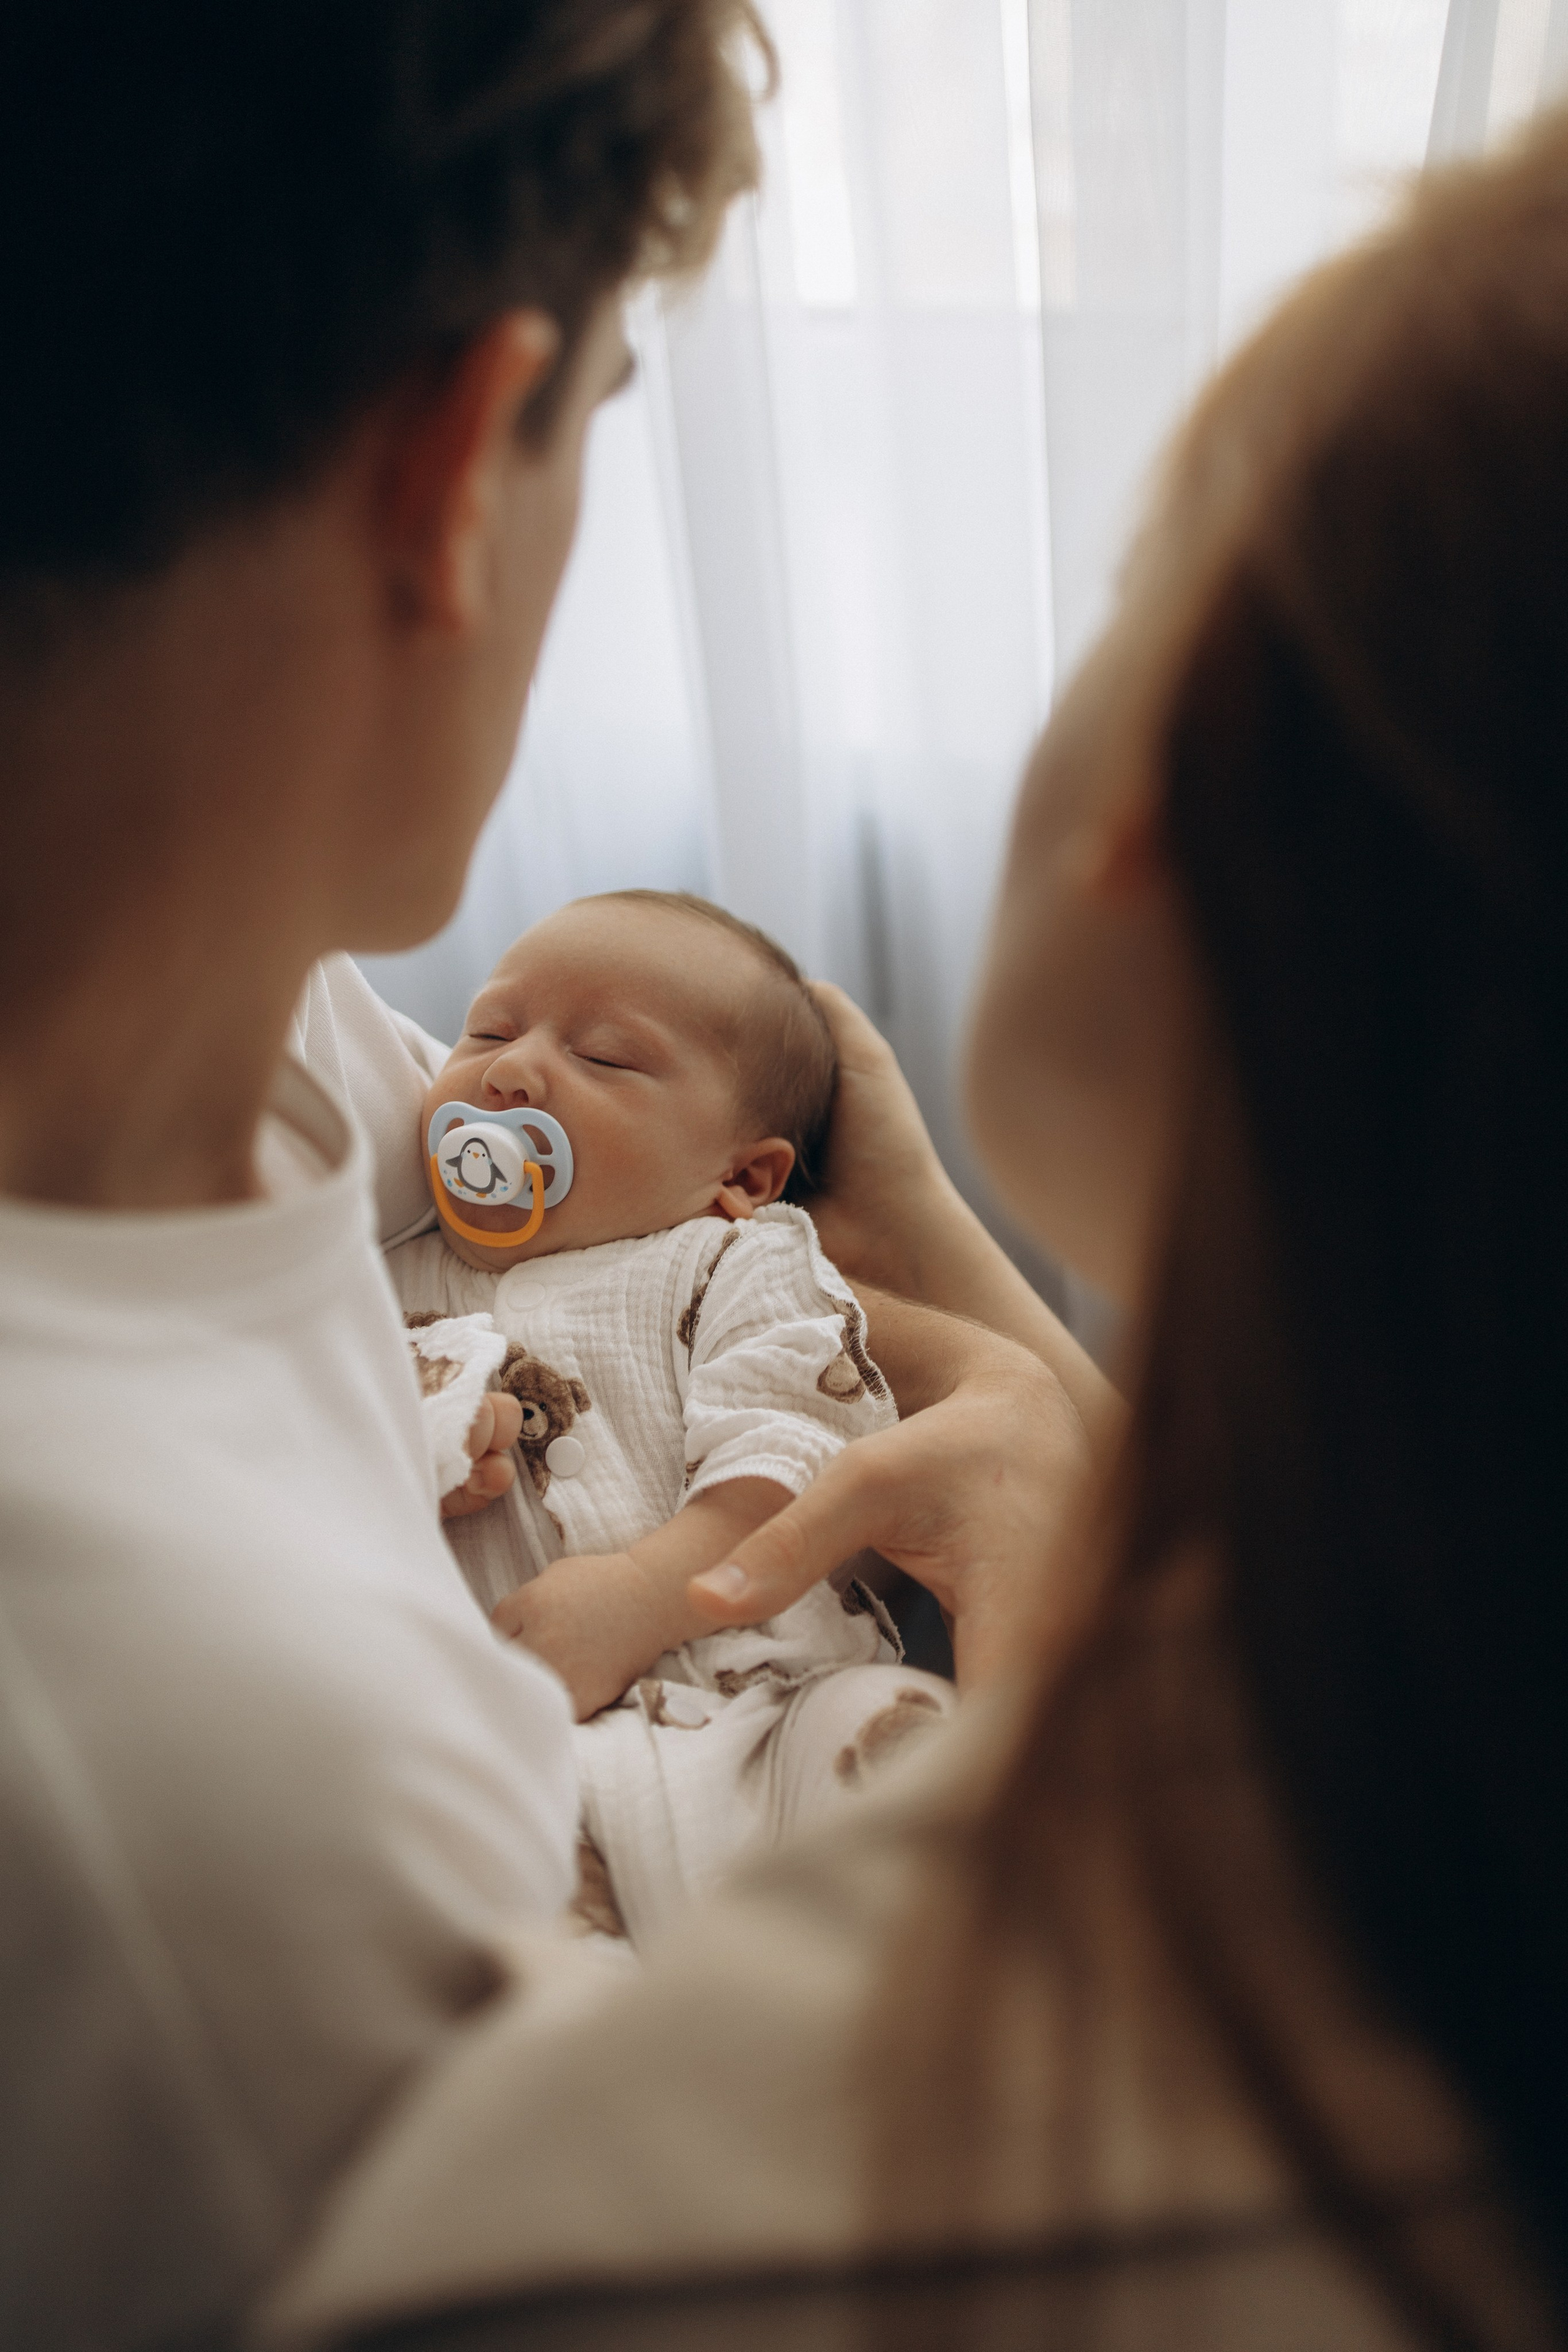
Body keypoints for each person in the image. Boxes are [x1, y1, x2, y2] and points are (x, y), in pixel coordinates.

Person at [263, 103, 1568, 2352]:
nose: (507, 1076)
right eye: (498, 1028)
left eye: (1151, 574)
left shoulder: (609, 2216)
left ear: (1158, 813)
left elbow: (791, 1430)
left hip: (733, 1695)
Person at [0, 8, 1099, 2349]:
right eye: (594, 430)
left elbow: (695, 1232)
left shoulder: (282, 1032)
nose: (513, 1077)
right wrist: (1060, 1516)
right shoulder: (231, 1809)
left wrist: (865, 1188)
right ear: (458, 471)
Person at [393, 889, 954, 1943]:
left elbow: (810, 1450)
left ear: (741, 1175)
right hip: (509, 1753)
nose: (511, 1073)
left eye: (605, 1057)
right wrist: (427, 1439)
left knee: (904, 1749)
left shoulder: (737, 1266)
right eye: (489, 1031)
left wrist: (650, 1595)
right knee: (470, 1929)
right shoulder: (385, 1275)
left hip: (763, 1712)